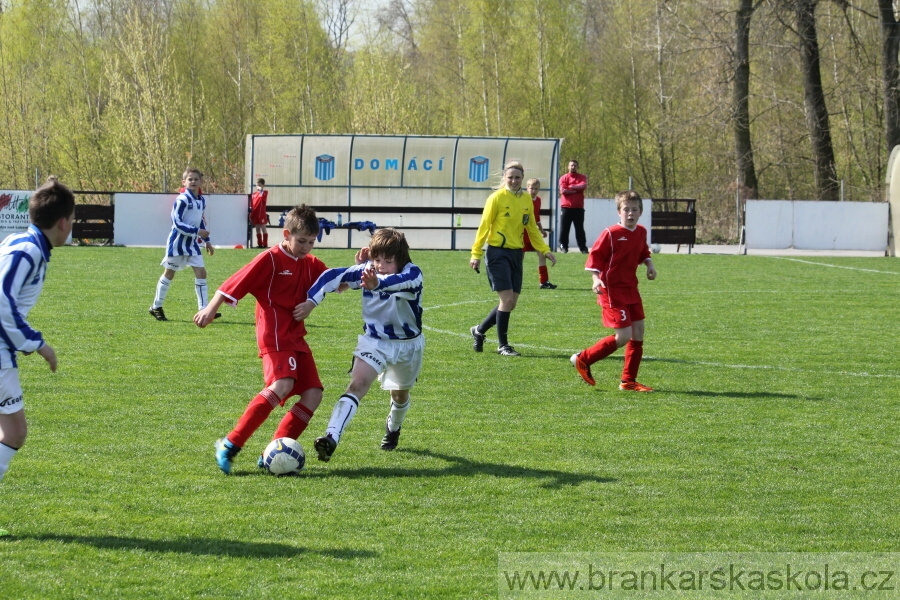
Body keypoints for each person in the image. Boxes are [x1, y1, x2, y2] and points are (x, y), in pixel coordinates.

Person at [194, 204, 331, 474]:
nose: (306, 247)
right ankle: (230, 445)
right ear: (286, 234)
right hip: (274, 333)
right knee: (283, 384)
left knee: (313, 394)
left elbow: (335, 280)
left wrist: (361, 268)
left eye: (311, 242)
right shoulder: (270, 259)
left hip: (295, 336)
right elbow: (234, 282)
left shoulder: (310, 263)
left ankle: (270, 452)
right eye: (301, 241)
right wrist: (211, 309)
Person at [295, 228, 424, 462]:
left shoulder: (413, 274)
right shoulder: (368, 271)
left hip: (407, 346)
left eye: (388, 260)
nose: (381, 265)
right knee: (357, 385)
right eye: (377, 259)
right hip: (374, 342)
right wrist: (312, 302)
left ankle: (393, 428)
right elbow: (332, 276)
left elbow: (394, 283)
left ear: (401, 260)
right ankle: (331, 437)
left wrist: (374, 284)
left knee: (400, 395)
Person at [0, 181, 75, 535]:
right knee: (14, 433)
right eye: (72, 219)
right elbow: (1, 301)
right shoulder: (27, 250)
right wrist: (37, 343)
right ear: (63, 222)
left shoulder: (20, 241)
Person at [570, 190, 657, 392]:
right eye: (626, 209)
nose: (630, 213)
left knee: (638, 333)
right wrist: (595, 279)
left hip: (631, 289)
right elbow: (595, 259)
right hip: (612, 291)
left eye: (634, 209)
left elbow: (643, 252)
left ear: (640, 212)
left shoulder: (641, 232)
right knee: (623, 336)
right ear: (619, 211)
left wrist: (650, 264)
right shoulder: (611, 234)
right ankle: (583, 358)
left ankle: (628, 381)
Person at [469, 161, 556, 357]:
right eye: (510, 177)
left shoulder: (527, 200)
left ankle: (479, 330)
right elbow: (484, 226)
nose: (514, 181)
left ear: (522, 178)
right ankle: (503, 346)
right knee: (506, 300)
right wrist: (476, 253)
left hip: (517, 254)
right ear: (504, 178)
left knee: (511, 302)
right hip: (497, 253)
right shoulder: (496, 198)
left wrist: (544, 249)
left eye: (517, 177)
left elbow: (531, 227)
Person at [149, 168, 217, 322]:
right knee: (169, 273)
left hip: (192, 244)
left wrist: (207, 241)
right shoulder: (182, 199)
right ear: (184, 182)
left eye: (196, 179)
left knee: (201, 273)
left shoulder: (201, 200)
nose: (193, 182)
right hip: (178, 243)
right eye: (190, 179)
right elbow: (176, 223)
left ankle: (203, 310)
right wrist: (197, 231)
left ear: (201, 181)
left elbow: (200, 220)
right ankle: (156, 306)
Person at [523, 178, 556, 289]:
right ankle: (514, 281)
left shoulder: (538, 200)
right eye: (531, 188)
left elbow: (536, 216)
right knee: (519, 257)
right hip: (523, 232)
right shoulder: (524, 199)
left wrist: (541, 230)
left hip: (533, 232)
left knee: (541, 254)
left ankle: (544, 282)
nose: (533, 190)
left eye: (536, 188)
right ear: (527, 188)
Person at [558, 159, 589, 253]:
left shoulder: (582, 177)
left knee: (579, 229)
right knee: (564, 228)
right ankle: (564, 246)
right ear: (568, 167)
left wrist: (570, 187)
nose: (573, 167)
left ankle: (583, 248)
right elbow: (563, 190)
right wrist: (575, 190)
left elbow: (583, 186)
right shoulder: (563, 178)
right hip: (566, 208)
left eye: (575, 165)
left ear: (577, 167)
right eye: (571, 165)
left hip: (578, 208)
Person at [250, 178, 269, 248]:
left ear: (263, 185)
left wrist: (260, 190)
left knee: (263, 228)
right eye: (257, 185)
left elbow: (263, 198)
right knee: (257, 229)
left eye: (259, 185)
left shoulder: (265, 192)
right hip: (255, 214)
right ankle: (260, 244)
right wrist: (251, 214)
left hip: (262, 214)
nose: (258, 186)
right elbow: (252, 204)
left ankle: (265, 244)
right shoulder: (254, 194)